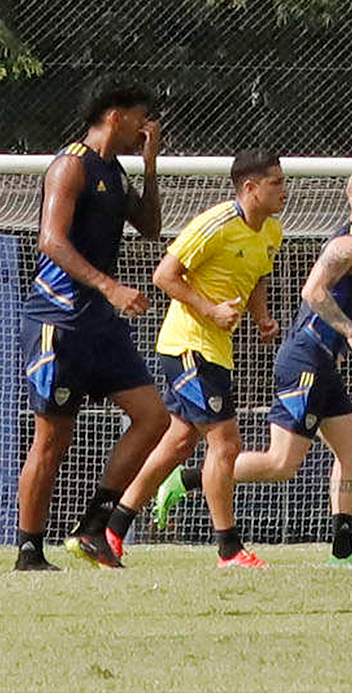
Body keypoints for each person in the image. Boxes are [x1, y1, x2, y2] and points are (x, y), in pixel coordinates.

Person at [155, 169, 352, 566]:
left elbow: (333, 302)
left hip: (324, 363)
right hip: (305, 361)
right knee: (280, 464)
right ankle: (187, 479)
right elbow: (313, 292)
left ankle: (342, 550)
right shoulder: (349, 244)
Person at [14, 75, 168, 571]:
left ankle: (93, 527)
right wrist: (110, 287)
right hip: (58, 319)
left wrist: (149, 164)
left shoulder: (117, 171)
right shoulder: (70, 166)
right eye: (140, 118)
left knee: (153, 417)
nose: (145, 127)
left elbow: (149, 227)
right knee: (53, 438)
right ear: (114, 115)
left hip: (99, 322)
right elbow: (51, 242)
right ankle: (28, 550)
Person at [105, 150, 286, 568]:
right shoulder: (216, 223)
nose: (284, 191)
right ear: (250, 188)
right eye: (275, 183)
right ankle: (229, 549)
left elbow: (257, 275)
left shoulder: (272, 230)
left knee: (179, 442)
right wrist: (210, 310)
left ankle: (112, 529)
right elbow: (164, 275)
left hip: (217, 350)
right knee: (226, 443)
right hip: (188, 347)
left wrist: (261, 318)